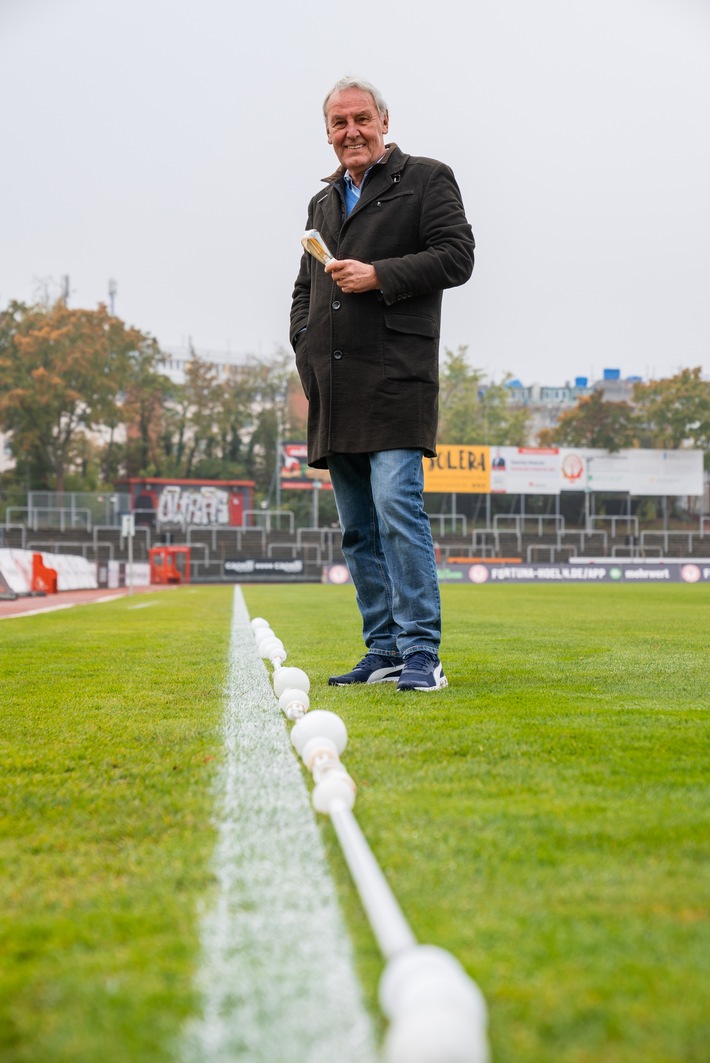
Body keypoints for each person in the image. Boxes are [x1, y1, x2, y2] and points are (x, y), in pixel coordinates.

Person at [290, 76, 475, 692]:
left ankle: (422, 651)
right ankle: (384, 648)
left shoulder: (427, 178)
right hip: (335, 388)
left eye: (361, 119)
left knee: (398, 508)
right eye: (339, 124)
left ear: (384, 120)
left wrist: (380, 275)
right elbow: (303, 290)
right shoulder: (321, 204)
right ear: (328, 133)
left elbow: (458, 257)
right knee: (358, 527)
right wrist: (305, 351)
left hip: (397, 377)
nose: (352, 132)